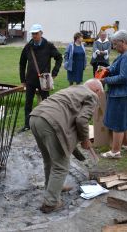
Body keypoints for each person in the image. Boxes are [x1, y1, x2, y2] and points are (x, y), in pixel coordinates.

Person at [30, 79, 103, 213]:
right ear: (97, 90)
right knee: (61, 165)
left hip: (35, 117)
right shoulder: (92, 95)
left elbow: (70, 121)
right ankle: (51, 202)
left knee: (50, 160)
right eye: (100, 94)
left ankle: (52, 188)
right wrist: (85, 139)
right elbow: (81, 120)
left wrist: (75, 143)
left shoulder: (72, 89)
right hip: (50, 122)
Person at [100, 30, 127, 159]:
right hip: (124, 93)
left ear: (123, 42)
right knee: (124, 120)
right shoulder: (125, 54)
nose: (114, 47)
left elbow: (124, 77)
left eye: (115, 44)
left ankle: (115, 152)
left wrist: (104, 80)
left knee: (118, 122)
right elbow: (115, 67)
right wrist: (106, 70)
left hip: (124, 94)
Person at [19, 24, 63, 132]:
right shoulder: (28, 47)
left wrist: (54, 72)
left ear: (41, 33)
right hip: (30, 79)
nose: (34, 36)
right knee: (28, 103)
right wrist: (22, 80)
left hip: (44, 79)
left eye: (36, 33)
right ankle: (27, 124)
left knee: (46, 103)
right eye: (33, 34)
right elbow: (22, 63)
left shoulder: (48, 45)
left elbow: (59, 58)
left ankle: (47, 124)